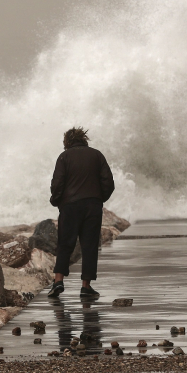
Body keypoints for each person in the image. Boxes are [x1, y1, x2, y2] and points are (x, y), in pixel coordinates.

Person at [47, 127, 115, 299]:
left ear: (67, 142)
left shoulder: (64, 157)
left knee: (65, 243)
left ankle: (58, 281)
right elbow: (108, 182)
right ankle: (86, 286)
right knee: (90, 246)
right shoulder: (97, 155)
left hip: (70, 207)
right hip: (92, 206)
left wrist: (56, 200)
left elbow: (57, 184)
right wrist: (99, 199)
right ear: (84, 139)